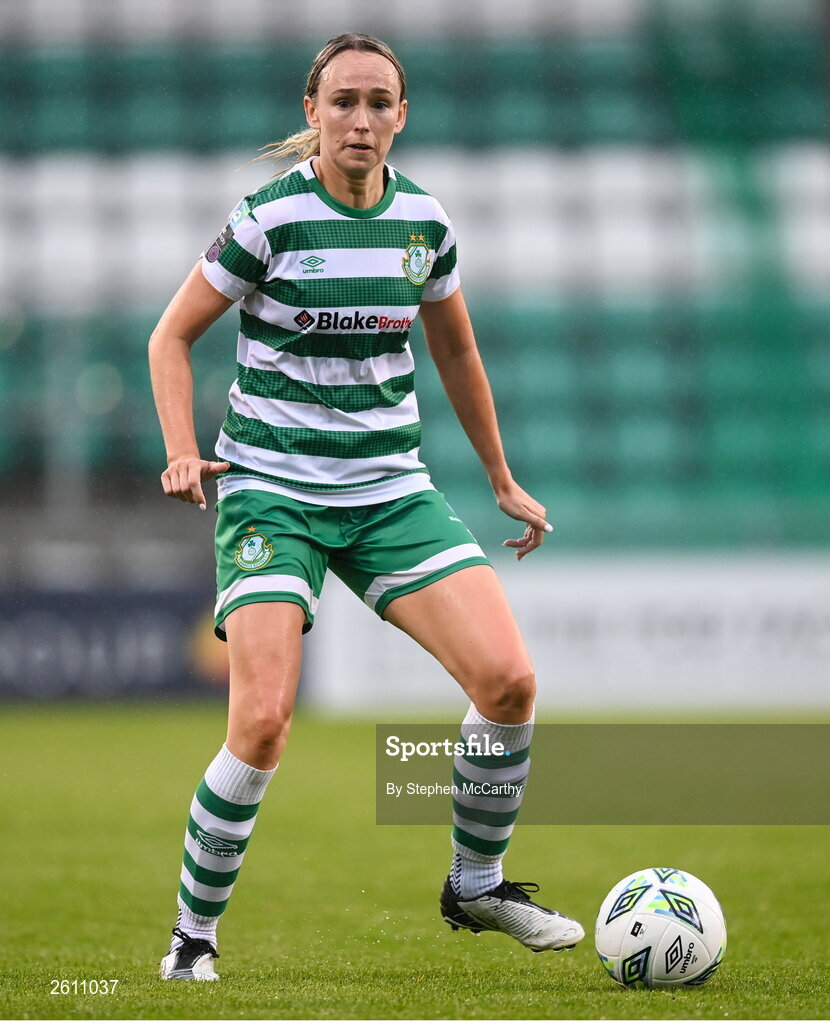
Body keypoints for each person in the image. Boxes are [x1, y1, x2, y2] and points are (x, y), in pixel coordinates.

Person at [149, 32, 584, 982]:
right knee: (261, 722)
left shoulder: (424, 220)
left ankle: (478, 884)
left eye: (379, 103)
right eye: (342, 101)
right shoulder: (268, 219)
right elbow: (170, 337)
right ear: (312, 112)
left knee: (509, 685)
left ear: (401, 116)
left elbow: (458, 353)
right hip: (272, 491)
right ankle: (193, 939)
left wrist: (503, 479)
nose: (361, 119)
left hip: (390, 490)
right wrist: (185, 452)